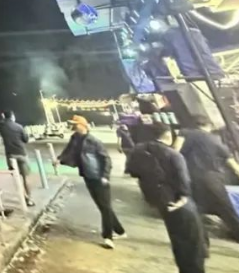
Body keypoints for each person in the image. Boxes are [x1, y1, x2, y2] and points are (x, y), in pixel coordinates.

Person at [128, 122, 206, 273]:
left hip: (160, 201)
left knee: (177, 238)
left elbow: (132, 171)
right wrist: (183, 198)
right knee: (193, 242)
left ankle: (183, 268)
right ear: (168, 135)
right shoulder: (173, 154)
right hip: (179, 202)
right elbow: (183, 180)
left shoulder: (138, 150)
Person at [56, 115, 124, 248]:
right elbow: (68, 151)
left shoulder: (94, 141)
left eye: (75, 124)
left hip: (99, 177)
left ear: (83, 125)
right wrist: (59, 159)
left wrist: (105, 176)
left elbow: (106, 159)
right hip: (87, 175)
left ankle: (108, 237)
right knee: (102, 205)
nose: (73, 127)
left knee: (105, 207)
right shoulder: (75, 138)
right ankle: (120, 231)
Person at [176, 114, 239, 242]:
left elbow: (174, 152)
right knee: (227, 210)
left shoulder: (185, 133)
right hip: (213, 179)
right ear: (208, 125)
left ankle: (200, 241)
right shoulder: (215, 139)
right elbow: (233, 165)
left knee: (195, 211)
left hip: (190, 178)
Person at [0, 111, 35, 207]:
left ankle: (24, 197)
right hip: (21, 154)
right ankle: (29, 199)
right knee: (26, 178)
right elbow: (26, 139)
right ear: (12, 116)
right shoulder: (19, 127)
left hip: (11, 155)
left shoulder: (2, 127)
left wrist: (3, 118)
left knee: (16, 178)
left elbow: (1, 123)